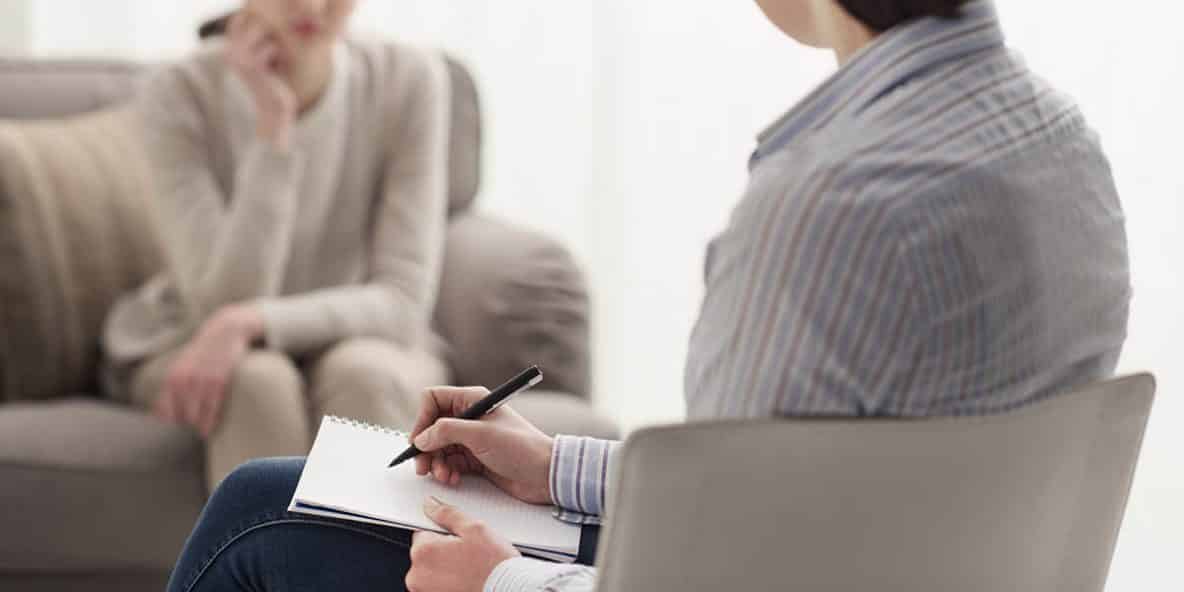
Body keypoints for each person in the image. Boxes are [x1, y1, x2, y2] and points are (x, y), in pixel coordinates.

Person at [160, 0, 1131, 590]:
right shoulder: (1060, 147)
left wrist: (501, 582)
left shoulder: (817, 209)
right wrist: (557, 471)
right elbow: (822, 498)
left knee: (255, 511)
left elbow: (710, 574)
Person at [99, 0, 453, 490]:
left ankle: (370, 569)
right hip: (196, 333)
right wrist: (273, 129)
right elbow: (223, 299)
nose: (311, 5)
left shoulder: (409, 79)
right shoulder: (177, 93)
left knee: (367, 374)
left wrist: (251, 322)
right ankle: (263, 569)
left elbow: (402, 301)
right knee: (256, 382)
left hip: (360, 335)